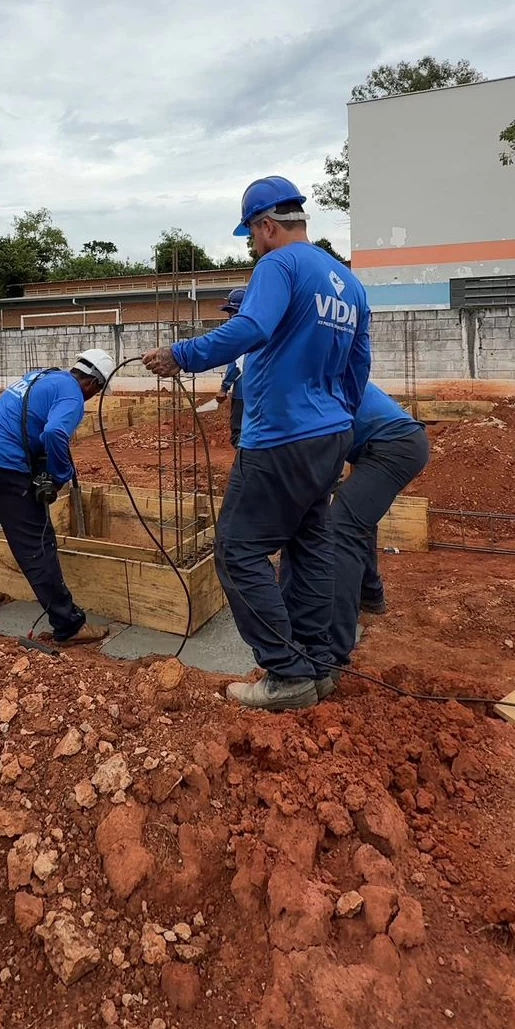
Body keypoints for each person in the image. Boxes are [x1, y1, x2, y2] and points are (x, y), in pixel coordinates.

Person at [144, 176, 371, 713]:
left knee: (238, 550)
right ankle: (317, 665)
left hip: (281, 437)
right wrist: (341, 429)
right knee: (309, 544)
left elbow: (251, 327)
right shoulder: (347, 280)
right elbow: (358, 367)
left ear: (267, 226)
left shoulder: (279, 265)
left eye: (251, 234)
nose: (251, 244)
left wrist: (183, 354)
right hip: (329, 434)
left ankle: (286, 673)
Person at [0, 349, 115, 643]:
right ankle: (68, 623)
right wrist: (58, 476)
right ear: (93, 383)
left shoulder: (47, 376)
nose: (94, 396)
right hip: (5, 461)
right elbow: (55, 432)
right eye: (97, 391)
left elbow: (32, 423)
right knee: (37, 542)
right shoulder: (72, 396)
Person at [328, 381, 429, 668]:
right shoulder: (330, 368)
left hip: (394, 447)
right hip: (385, 445)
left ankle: (333, 652)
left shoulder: (318, 378)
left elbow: (326, 443)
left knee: (340, 528)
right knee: (358, 518)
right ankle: (371, 596)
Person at [215, 287, 247, 448]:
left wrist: (224, 387)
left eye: (233, 312)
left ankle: (245, 469)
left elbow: (236, 363)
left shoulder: (242, 332)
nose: (229, 317)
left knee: (239, 433)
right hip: (263, 393)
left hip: (244, 393)